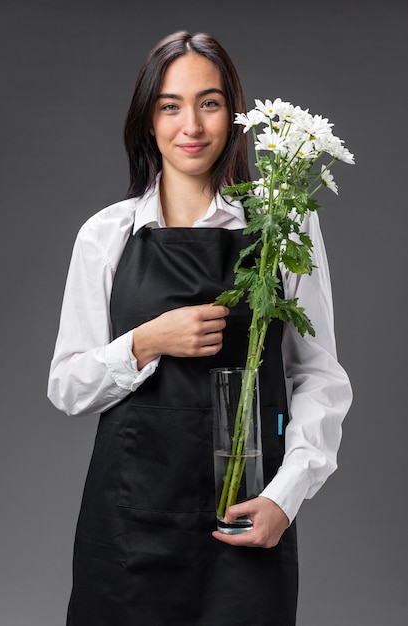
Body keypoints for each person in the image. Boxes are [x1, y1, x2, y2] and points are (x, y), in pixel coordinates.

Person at [48, 30, 352, 626]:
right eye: (170, 105)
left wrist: (282, 498)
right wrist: (146, 342)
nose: (191, 125)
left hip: (244, 514)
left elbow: (318, 373)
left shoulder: (284, 223)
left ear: (234, 116)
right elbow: (67, 386)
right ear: (147, 119)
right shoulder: (106, 235)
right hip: (129, 522)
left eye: (209, 103)